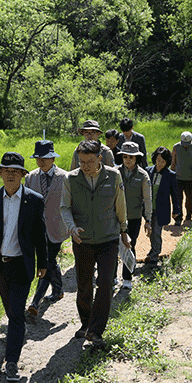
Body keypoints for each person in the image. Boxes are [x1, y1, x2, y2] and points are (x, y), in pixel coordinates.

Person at [0, 151, 48, 381]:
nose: (10, 175)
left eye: (16, 171)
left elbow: (39, 234)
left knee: (16, 317)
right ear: (1, 174)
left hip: (21, 265)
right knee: (11, 310)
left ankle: (12, 361)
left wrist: (43, 263)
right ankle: (14, 336)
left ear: (23, 175)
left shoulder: (34, 200)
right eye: (6, 171)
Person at [61, 139, 131, 349]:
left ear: (100, 158)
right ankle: (86, 323)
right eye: (81, 162)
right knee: (83, 285)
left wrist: (124, 231)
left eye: (89, 162)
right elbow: (65, 208)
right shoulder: (71, 179)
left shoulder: (113, 175)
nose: (85, 167)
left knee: (106, 283)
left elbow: (120, 205)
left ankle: (96, 330)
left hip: (108, 238)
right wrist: (71, 227)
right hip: (83, 241)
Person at [24, 140, 69, 317]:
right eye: (38, 158)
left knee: (47, 261)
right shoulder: (30, 178)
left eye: (44, 158)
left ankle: (36, 301)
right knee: (50, 261)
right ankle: (58, 290)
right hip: (38, 229)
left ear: (52, 157)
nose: (41, 161)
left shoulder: (65, 177)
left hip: (57, 227)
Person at [116, 141, 151, 289]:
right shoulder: (115, 173)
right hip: (115, 216)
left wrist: (148, 219)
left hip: (134, 217)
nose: (128, 160)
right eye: (125, 157)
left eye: (131, 157)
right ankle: (112, 278)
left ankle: (127, 278)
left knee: (130, 245)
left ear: (136, 158)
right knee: (112, 247)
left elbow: (147, 199)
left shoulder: (143, 175)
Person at [145, 146, 177, 265]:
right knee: (150, 232)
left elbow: (175, 194)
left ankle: (154, 255)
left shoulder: (170, 175)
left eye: (163, 161)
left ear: (167, 162)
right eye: (158, 160)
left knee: (156, 233)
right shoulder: (147, 171)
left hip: (161, 209)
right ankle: (153, 250)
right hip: (147, 209)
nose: (160, 163)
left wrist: (176, 210)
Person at [171, 130, 192, 227]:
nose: (185, 145)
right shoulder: (176, 147)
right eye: (184, 144)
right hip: (178, 177)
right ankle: (178, 218)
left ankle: (188, 217)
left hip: (190, 177)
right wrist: (170, 174)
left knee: (190, 198)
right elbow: (173, 161)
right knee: (178, 199)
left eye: (187, 144)